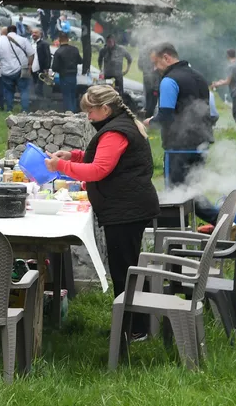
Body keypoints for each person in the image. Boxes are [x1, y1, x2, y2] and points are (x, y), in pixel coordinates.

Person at [45, 85, 159, 341]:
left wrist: (61, 166)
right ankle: (130, 325)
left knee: (124, 270)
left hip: (126, 209)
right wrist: (74, 155)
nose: (88, 117)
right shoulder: (123, 123)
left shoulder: (116, 131)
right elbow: (106, 158)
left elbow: (99, 169)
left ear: (105, 109)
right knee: (125, 266)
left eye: (91, 111)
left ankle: (133, 329)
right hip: (128, 206)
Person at [145, 42, 213, 185]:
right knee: (195, 191)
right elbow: (211, 112)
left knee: (177, 195)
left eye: (156, 63)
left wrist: (150, 122)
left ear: (166, 57)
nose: (155, 68)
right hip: (201, 144)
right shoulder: (199, 77)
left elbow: (165, 116)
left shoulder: (169, 81)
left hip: (178, 147)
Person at [0, 25, 35, 112]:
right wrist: (29, 65)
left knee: (9, 91)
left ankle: (9, 109)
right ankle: (24, 110)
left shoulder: (0, 43)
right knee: (24, 90)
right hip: (20, 70)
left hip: (6, 71)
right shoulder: (23, 40)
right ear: (16, 31)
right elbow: (31, 54)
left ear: (7, 32)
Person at [211, 49, 236, 132]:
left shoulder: (231, 66)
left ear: (227, 56)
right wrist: (221, 81)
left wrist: (216, 84)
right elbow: (232, 79)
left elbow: (228, 81)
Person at [51, 33, 83, 112]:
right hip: (74, 76)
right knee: (73, 95)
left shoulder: (58, 52)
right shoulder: (75, 49)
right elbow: (80, 61)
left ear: (59, 40)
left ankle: (70, 113)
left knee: (66, 96)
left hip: (64, 77)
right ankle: (75, 112)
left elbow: (54, 67)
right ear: (68, 39)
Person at [31, 27, 52, 99]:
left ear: (40, 34)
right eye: (32, 33)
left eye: (36, 33)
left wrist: (46, 68)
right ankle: (38, 101)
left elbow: (48, 56)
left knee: (39, 87)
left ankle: (41, 102)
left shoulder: (44, 44)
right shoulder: (32, 44)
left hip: (41, 69)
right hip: (33, 70)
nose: (34, 34)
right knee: (35, 87)